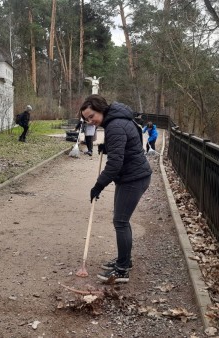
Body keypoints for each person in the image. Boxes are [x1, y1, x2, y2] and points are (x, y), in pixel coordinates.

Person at [80, 94, 152, 283]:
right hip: (131, 176)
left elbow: (115, 165)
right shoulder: (118, 120)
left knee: (120, 222)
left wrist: (98, 186)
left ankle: (122, 270)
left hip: (133, 178)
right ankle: (124, 261)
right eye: (87, 119)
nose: (90, 121)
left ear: (101, 109)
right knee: (121, 221)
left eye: (91, 116)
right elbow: (128, 145)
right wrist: (108, 147)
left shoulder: (115, 126)